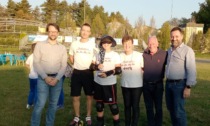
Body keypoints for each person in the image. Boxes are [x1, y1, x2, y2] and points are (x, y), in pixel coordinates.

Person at [31, 23, 67, 126]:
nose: (52, 33)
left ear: (58, 33)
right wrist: (45, 77)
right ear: (47, 32)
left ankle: (49, 124)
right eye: (50, 31)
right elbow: (36, 62)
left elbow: (64, 66)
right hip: (43, 79)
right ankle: (34, 124)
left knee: (53, 105)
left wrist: (57, 79)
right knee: (40, 104)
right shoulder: (40, 45)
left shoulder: (62, 48)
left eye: (55, 31)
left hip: (57, 79)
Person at [165, 27, 196, 126]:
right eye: (172, 36)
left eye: (176, 36)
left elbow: (191, 69)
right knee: (171, 109)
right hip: (168, 84)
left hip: (179, 85)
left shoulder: (187, 50)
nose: (174, 38)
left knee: (179, 112)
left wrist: (188, 87)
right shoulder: (169, 50)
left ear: (182, 36)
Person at [90, 35, 121, 126]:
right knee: (99, 105)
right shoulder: (98, 54)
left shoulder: (115, 55)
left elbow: (118, 70)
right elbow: (91, 67)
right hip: (98, 82)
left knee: (113, 106)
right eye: (104, 42)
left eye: (108, 42)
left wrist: (107, 73)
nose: (106, 44)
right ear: (101, 44)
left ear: (111, 43)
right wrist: (96, 66)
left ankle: (116, 123)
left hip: (109, 83)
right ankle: (100, 123)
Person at [69, 23, 95, 126]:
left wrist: (92, 64)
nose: (85, 32)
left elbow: (96, 57)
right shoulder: (74, 44)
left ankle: (88, 116)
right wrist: (76, 64)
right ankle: (77, 117)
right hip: (76, 72)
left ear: (90, 32)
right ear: (80, 31)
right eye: (83, 30)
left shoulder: (92, 44)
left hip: (88, 73)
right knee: (75, 96)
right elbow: (71, 56)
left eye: (87, 31)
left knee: (89, 96)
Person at [143, 36, 167, 126]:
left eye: (153, 43)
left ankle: (158, 124)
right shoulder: (144, 54)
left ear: (157, 44)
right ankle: (151, 124)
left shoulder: (164, 54)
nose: (151, 45)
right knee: (149, 108)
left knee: (158, 108)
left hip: (158, 86)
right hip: (146, 86)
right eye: (149, 43)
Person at [120, 35, 144, 126]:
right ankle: (127, 123)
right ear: (122, 44)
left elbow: (144, 68)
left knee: (135, 106)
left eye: (129, 44)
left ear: (132, 44)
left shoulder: (139, 55)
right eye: (125, 44)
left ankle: (134, 124)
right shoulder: (120, 56)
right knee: (127, 106)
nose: (127, 46)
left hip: (137, 85)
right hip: (125, 85)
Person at [26, 42, 38, 109]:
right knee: (37, 91)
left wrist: (30, 68)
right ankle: (36, 104)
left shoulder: (31, 56)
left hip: (31, 76)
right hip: (37, 77)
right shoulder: (39, 57)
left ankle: (29, 103)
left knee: (32, 90)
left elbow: (26, 64)